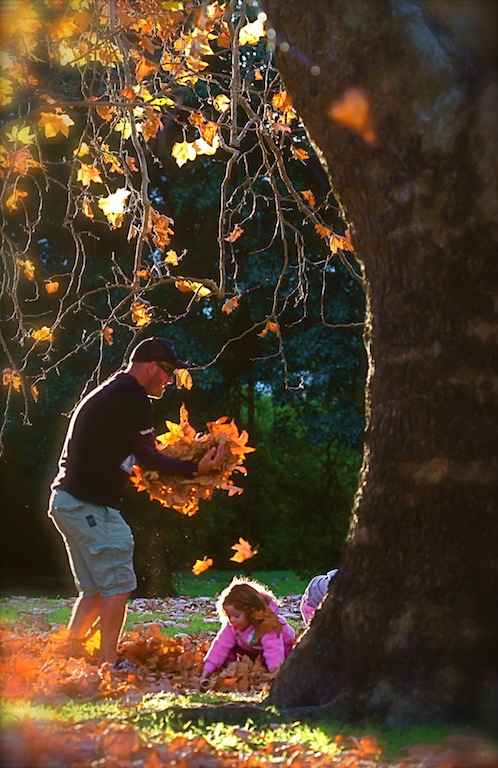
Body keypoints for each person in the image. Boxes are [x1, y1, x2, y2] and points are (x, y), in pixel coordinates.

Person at [48, 337, 224, 670]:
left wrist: (183, 471)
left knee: (96, 590)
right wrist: (194, 469)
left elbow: (141, 460)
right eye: (167, 371)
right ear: (149, 365)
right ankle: (108, 663)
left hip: (67, 501)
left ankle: (70, 653)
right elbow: (148, 457)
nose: (170, 380)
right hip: (88, 505)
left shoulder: (115, 392)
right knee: (118, 584)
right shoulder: (133, 397)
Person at [200, 577, 295, 683]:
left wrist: (275, 673)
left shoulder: (267, 624)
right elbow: (220, 646)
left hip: (280, 650)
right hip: (251, 650)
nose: (231, 620)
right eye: (228, 616)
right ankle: (233, 667)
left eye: (236, 616)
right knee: (225, 648)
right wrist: (206, 672)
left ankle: (266, 669)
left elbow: (274, 649)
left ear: (250, 612)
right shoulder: (232, 626)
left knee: (283, 657)